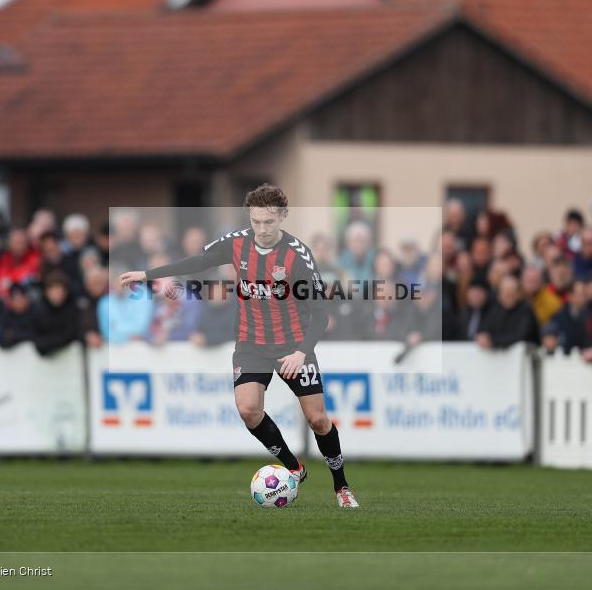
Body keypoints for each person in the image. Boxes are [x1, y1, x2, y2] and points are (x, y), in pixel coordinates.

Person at [118, 184, 358, 508]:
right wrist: (149, 273)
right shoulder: (236, 243)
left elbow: (320, 313)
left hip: (292, 345)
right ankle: (294, 467)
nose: (262, 229)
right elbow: (197, 262)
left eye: (269, 222)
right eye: (257, 221)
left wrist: (301, 351)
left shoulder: (297, 255)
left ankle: (341, 487)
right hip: (251, 343)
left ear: (283, 217)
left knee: (317, 419)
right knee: (248, 410)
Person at [475, 275, 539, 350]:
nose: (507, 295)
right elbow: (484, 329)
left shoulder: (526, 310)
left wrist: (492, 341)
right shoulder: (494, 309)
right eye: (504, 292)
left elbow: (521, 336)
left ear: (517, 293)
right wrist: (482, 337)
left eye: (511, 292)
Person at [32, 270, 81, 357]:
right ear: (47, 292)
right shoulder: (38, 311)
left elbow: (70, 334)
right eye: (54, 290)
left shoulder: (72, 309)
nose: (58, 294)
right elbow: (37, 340)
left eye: (60, 290)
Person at [0, 282, 35, 348]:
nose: (19, 302)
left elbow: (36, 335)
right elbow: (1, 339)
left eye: (21, 298)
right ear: (10, 301)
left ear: (26, 298)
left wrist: (13, 335)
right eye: (15, 299)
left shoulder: (35, 312)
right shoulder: (5, 315)